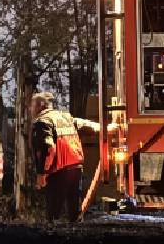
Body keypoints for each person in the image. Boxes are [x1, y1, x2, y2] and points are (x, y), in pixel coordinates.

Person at [29, 91, 110, 223]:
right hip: (75, 167)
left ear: (40, 106)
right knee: (74, 208)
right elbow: (86, 125)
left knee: (53, 210)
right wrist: (107, 128)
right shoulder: (65, 117)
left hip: (57, 171)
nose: (30, 109)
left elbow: (48, 148)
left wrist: (42, 173)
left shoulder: (42, 122)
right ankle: (75, 230)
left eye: (32, 106)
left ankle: (53, 231)